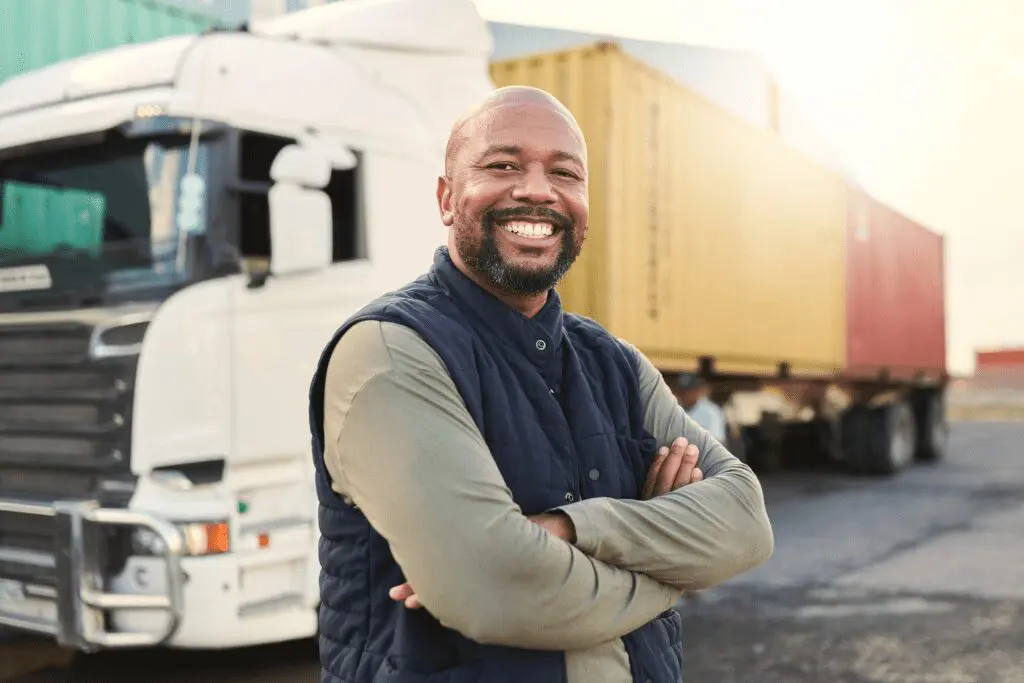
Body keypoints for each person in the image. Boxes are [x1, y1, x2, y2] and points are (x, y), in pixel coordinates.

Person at [308, 86, 774, 683]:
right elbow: (491, 586)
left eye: (565, 172)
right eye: (502, 165)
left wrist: (570, 530)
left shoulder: (616, 365)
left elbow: (745, 522)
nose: (536, 189)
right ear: (447, 198)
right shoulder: (391, 350)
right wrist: (675, 570)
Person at [673, 372, 728, 443]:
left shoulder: (711, 411)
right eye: (682, 391)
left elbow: (717, 442)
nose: (685, 395)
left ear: (697, 391)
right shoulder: (675, 409)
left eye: (689, 391)